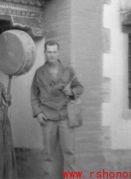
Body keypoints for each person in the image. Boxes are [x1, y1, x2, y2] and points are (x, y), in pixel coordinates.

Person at [31, 41, 84, 179]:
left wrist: (71, 92)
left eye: (54, 52)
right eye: (49, 52)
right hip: (48, 118)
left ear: (58, 53)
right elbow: (34, 94)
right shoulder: (39, 72)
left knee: (69, 152)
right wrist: (38, 112)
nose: (52, 55)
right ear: (45, 53)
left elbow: (79, 87)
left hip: (66, 117)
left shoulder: (68, 69)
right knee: (48, 154)